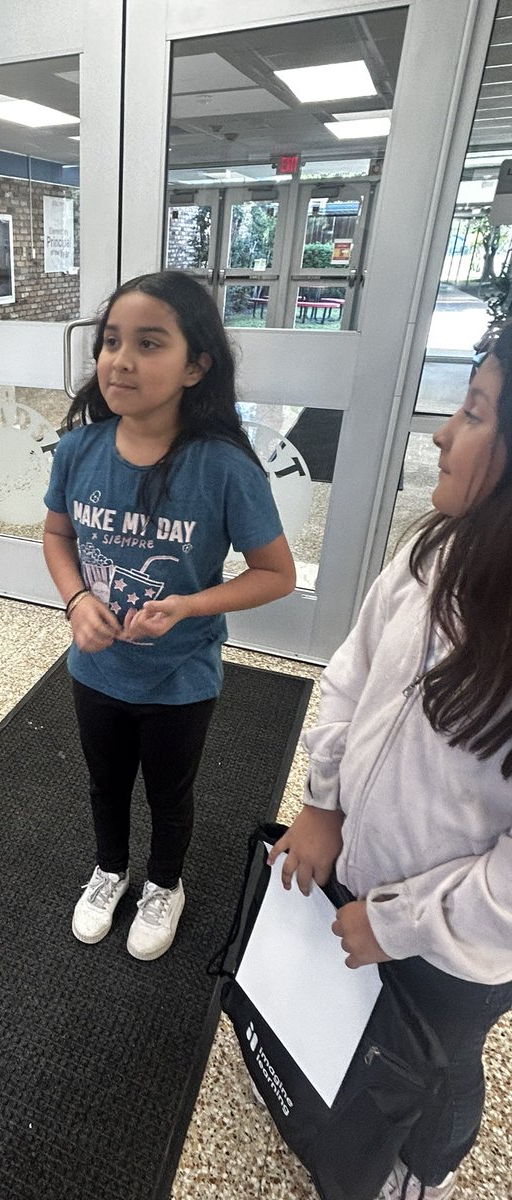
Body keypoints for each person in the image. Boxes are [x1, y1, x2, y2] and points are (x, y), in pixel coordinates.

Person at [270, 325, 512, 1200]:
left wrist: (400, 924)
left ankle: (423, 1171)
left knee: (437, 1069)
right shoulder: (432, 552)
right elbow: (352, 672)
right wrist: (324, 803)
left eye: (476, 412)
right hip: (363, 875)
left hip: (458, 952)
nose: (443, 433)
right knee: (367, 1037)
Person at [43, 270, 295, 961]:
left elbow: (277, 574)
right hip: (96, 668)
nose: (120, 361)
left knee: (169, 791)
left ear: (196, 366)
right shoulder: (78, 450)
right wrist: (76, 600)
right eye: (111, 342)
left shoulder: (224, 469)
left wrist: (190, 604)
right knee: (105, 782)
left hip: (181, 677)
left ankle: (164, 883)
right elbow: (57, 535)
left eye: (149, 344)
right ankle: (111, 870)